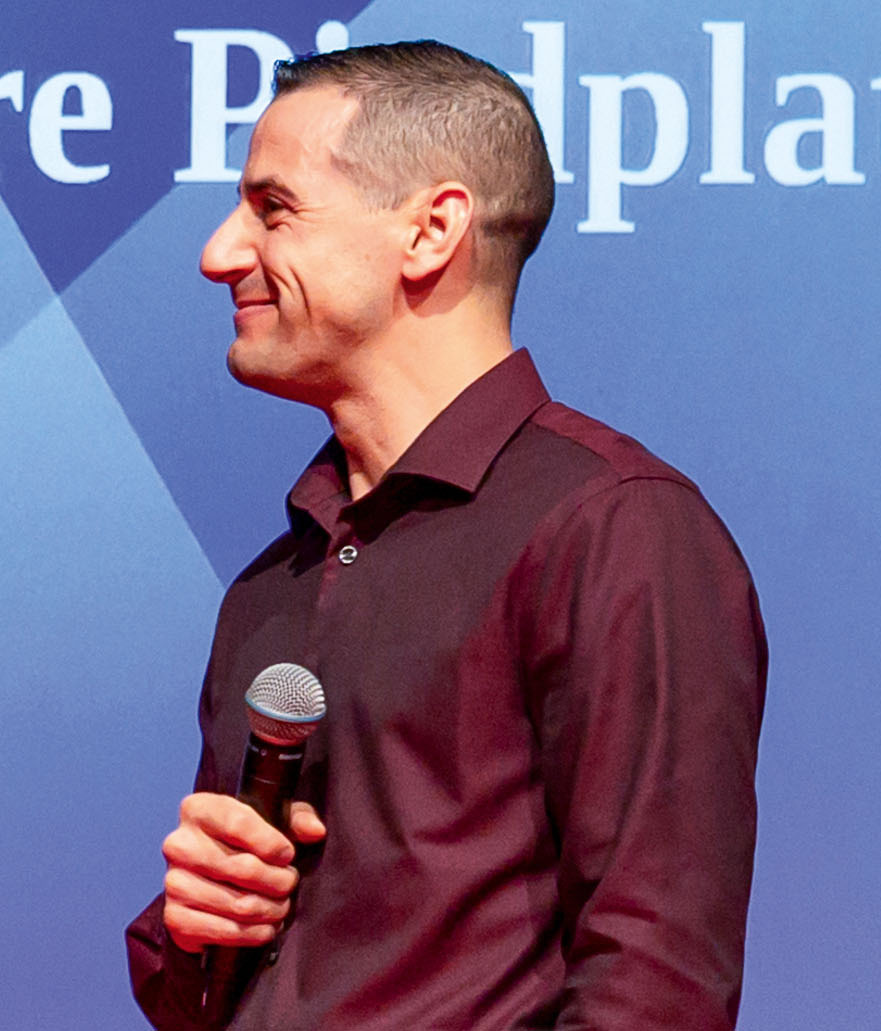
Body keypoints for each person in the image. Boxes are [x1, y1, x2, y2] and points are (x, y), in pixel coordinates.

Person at [126, 41, 770, 1031]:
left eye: (274, 209)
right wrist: (199, 928)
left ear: (430, 231)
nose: (219, 254)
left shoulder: (611, 527)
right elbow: (206, 996)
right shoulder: (270, 584)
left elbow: (655, 980)